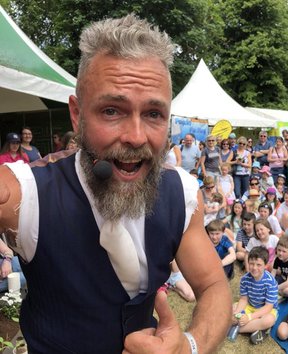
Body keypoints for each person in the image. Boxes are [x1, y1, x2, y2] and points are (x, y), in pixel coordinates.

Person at [0, 15, 232, 353]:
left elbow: (214, 286)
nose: (136, 137)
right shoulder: (29, 195)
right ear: (77, 115)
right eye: (112, 111)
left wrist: (190, 347)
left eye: (154, 114)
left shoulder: (181, 195)